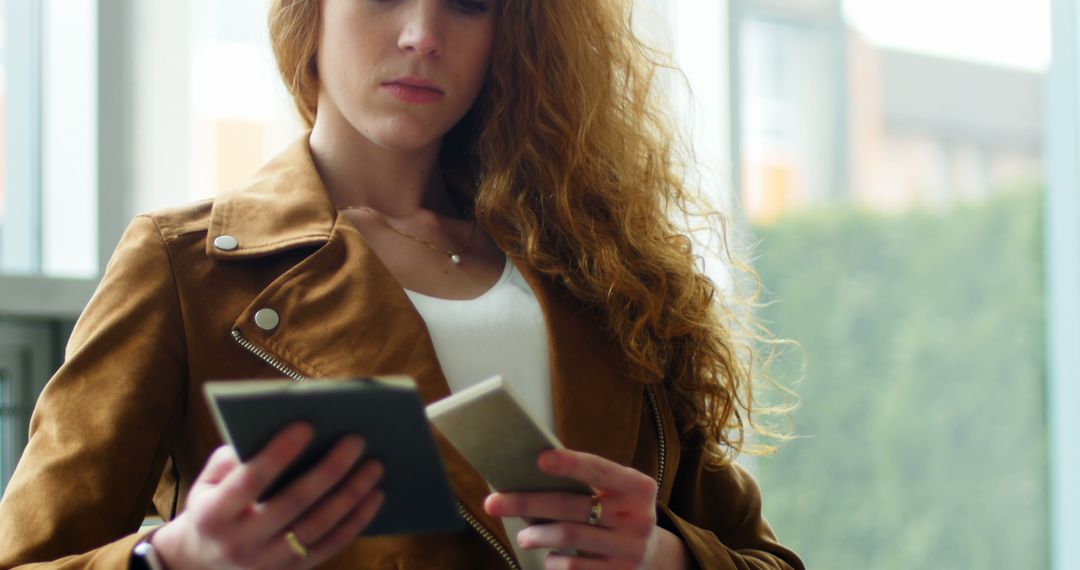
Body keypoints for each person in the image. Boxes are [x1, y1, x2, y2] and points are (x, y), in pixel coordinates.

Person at [0, 0, 804, 568]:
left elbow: (764, 557)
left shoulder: (599, 271)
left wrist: (667, 559)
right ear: (307, 9)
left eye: (467, 3)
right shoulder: (187, 267)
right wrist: (170, 560)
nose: (423, 34)